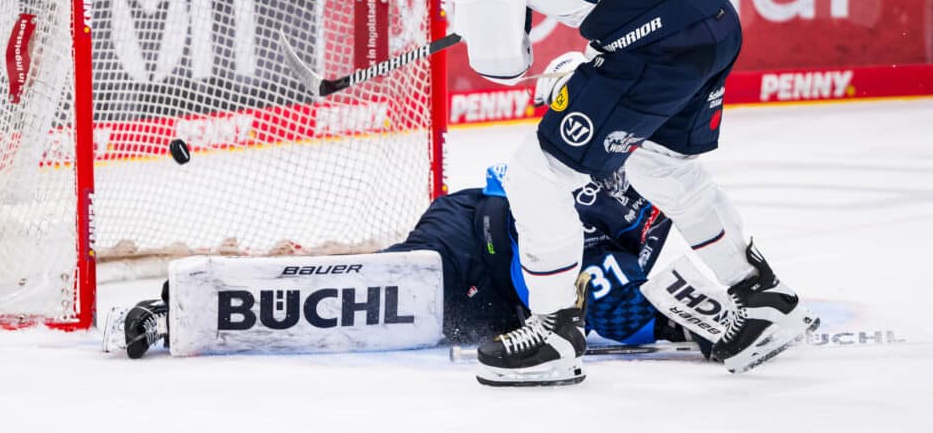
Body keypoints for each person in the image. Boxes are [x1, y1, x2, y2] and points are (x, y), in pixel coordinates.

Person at [401, 0, 815, 385]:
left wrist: (505, 22)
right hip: (713, 14)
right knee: (662, 167)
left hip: (653, 51)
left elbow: (503, 68)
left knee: (535, 175)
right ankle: (762, 294)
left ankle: (554, 333)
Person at [116, 155, 710, 361]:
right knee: (366, 297)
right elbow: (514, 196)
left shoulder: (638, 197)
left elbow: (654, 286)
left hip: (501, 309)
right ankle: (179, 309)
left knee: (617, 296)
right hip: (470, 240)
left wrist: (711, 323)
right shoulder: (562, 160)